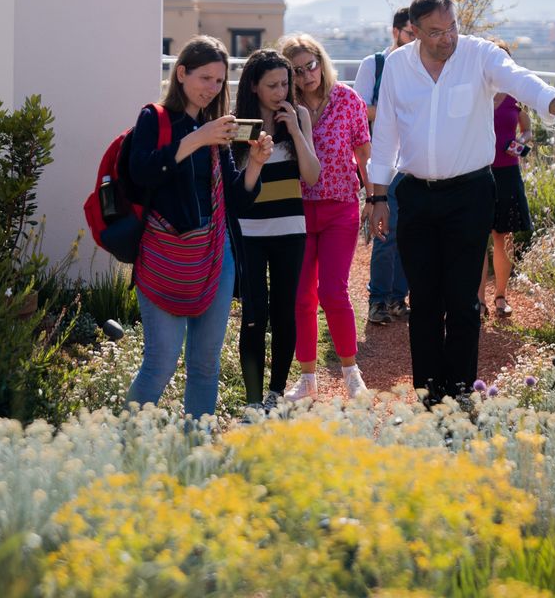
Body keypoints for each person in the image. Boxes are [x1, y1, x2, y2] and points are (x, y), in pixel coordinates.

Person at [368, 0, 555, 403]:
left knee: (463, 300)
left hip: (470, 194)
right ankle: (429, 395)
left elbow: (521, 79)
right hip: (416, 195)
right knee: (424, 302)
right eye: (436, 32)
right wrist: (377, 197)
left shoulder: (479, 54)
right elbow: (385, 131)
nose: (448, 38)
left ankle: (460, 393)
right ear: (415, 31)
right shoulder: (397, 66)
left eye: (452, 27)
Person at [126, 35, 273, 420]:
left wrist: (256, 164)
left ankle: (197, 445)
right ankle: (123, 442)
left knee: (206, 364)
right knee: (160, 362)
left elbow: (236, 199)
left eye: (219, 81)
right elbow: (142, 171)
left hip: (215, 257)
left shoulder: (215, 129)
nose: (212, 88)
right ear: (181, 74)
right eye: (205, 78)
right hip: (163, 257)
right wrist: (197, 139)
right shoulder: (154, 119)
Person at [280, 33, 372, 401]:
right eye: (297, 71)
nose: (307, 76)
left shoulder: (347, 99)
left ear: (322, 62)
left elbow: (363, 153)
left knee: (333, 291)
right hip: (298, 209)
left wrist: (374, 197)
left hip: (340, 206)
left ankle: (351, 372)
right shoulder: (286, 107)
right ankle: (307, 379)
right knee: (301, 296)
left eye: (311, 66)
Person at [234, 49, 321, 414]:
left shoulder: (299, 115)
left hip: (290, 231)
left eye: (285, 84)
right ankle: (253, 399)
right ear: (254, 86)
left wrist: (296, 131)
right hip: (250, 232)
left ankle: (275, 393)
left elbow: (312, 175)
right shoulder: (239, 123)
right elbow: (237, 183)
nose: (280, 92)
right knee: (254, 315)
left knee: (285, 312)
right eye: (272, 85)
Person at [353, 7, 414, 325]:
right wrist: (395, 109)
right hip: (382, 161)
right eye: (410, 33)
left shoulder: (421, 65)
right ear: (395, 31)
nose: (415, 39)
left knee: (407, 234)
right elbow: (358, 110)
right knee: (385, 233)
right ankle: (377, 300)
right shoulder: (374, 64)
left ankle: (397, 298)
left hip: (413, 163)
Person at [478, 40, 534, 319]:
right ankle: (478, 300)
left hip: (507, 172)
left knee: (503, 237)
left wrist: (521, 143)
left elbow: (528, 130)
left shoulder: (515, 95)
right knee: (477, 237)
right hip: (477, 172)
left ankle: (500, 296)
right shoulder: (474, 91)